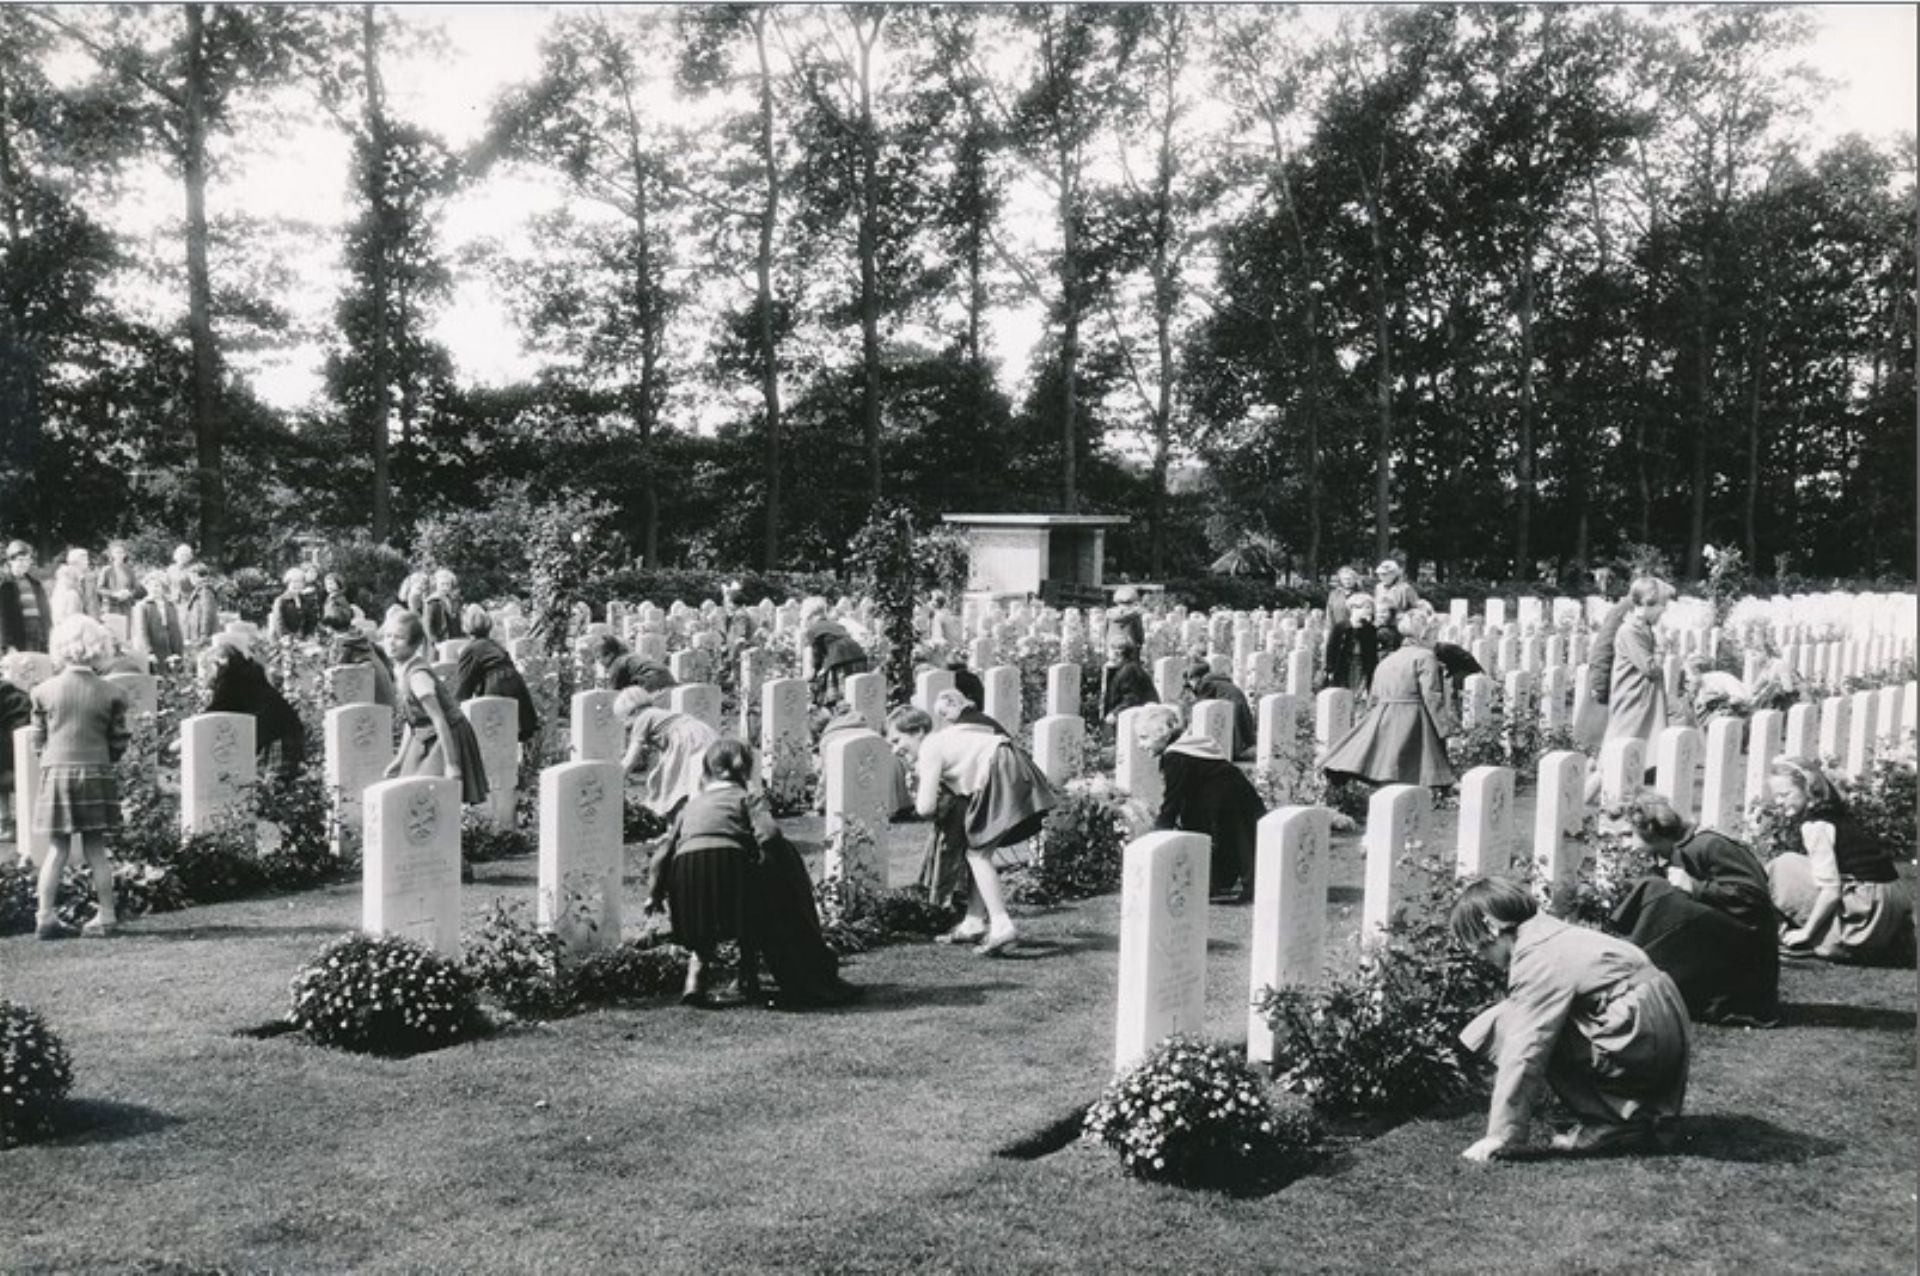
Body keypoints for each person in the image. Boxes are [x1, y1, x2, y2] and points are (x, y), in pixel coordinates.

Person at [1453, 876, 1691, 1160]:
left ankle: (1608, 1122)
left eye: (1480, 947)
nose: (1481, 956)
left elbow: (1525, 1046)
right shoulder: (1552, 931)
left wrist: (1500, 1134)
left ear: (1492, 927)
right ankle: (1635, 1115)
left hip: (1638, 1036)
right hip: (1662, 1026)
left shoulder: (1536, 957)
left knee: (1508, 1024)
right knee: (1521, 1017)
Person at [888, 690, 1058, 954]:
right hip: (1008, 766)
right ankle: (974, 921)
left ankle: (1002, 925)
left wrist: (920, 786)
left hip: (1002, 768)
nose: (895, 749)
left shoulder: (931, 746)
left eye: (898, 739)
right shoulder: (946, 739)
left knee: (978, 853)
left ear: (918, 731)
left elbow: (925, 807)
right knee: (977, 850)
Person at [1608, 792, 1779, 1024]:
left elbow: (1755, 899)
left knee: (1659, 891)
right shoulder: (1671, 853)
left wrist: (1698, 888)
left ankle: (1626, 980)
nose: (1624, 845)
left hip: (1749, 952)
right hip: (1723, 943)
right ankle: (1625, 973)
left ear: (1651, 828)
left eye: (1628, 835)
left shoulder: (1709, 844)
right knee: (1654, 888)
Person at [28, 616, 130, 939]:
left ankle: (45, 916)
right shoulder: (112, 692)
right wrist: (105, 759)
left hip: (56, 771)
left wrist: (50, 760)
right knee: (96, 848)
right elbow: (119, 740)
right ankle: (107, 915)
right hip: (96, 770)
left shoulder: (42, 691)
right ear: (100, 648)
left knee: (57, 848)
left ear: (60, 648)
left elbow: (37, 740)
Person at [1765, 757, 1915, 966]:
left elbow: (1831, 890)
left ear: (1808, 789)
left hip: (1866, 912)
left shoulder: (1815, 826)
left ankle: (1801, 937)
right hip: (1892, 903)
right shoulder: (1837, 814)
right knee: (1796, 864)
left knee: (1781, 866)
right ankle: (1883, 944)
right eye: (1776, 797)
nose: (1779, 802)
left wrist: (1806, 933)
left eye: (1785, 794)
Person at [1140, 704, 1265, 902]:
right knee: (1236, 841)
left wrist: (1159, 832)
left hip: (1225, 800)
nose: (1141, 744)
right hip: (1236, 794)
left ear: (1162, 734)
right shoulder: (1189, 746)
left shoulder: (1175, 756)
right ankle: (1221, 882)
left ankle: (1251, 888)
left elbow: (1173, 797)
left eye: (1144, 737)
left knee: (1239, 843)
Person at [1322, 611, 1455, 789]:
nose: (1436, 640)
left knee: (1385, 767)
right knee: (1414, 773)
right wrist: (1443, 728)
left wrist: (1370, 722)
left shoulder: (1388, 659)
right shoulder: (1425, 657)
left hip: (1384, 716)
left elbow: (1374, 697)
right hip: (1413, 717)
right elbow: (1432, 695)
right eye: (1434, 635)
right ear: (1424, 634)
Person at [381, 610, 489, 806]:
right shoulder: (401, 669)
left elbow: (439, 719)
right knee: (408, 787)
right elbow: (411, 721)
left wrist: (452, 764)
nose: (391, 642)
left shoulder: (417, 676)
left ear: (413, 644)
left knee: (431, 796)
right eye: (388, 636)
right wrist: (400, 759)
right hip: (423, 734)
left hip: (447, 735)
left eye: (399, 638)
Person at [201, 634, 307, 779]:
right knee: (274, 785)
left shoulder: (230, 680)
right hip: (284, 730)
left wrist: (183, 741)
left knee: (275, 786)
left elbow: (213, 714)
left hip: (276, 735)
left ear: (218, 664)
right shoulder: (247, 673)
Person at [616, 686, 719, 821]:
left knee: (673, 786)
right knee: (688, 781)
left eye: (627, 723)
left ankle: (678, 822)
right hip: (705, 734)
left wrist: (616, 778)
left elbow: (631, 758)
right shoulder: (658, 713)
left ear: (634, 712)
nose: (628, 729)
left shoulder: (643, 717)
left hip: (686, 740)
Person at [451, 606, 539, 743]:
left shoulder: (470, 650)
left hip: (497, 685)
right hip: (515, 683)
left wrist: (453, 712)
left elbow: (464, 686)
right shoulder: (495, 645)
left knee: (493, 733)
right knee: (509, 735)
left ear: (466, 627)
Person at [1604, 576, 1672, 747]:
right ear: (1647, 603)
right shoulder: (1630, 631)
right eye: (1662, 605)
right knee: (1621, 748)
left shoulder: (1644, 627)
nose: (1663, 610)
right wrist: (1661, 646)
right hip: (1632, 699)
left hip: (1644, 698)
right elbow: (1650, 668)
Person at [800, 597, 869, 708]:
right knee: (856, 695)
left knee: (836, 698)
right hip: (858, 656)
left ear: (809, 616)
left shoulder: (812, 630)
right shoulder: (835, 625)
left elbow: (814, 659)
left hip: (839, 660)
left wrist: (810, 678)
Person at [1183, 658, 1255, 761]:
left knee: (1231, 731)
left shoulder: (1205, 683)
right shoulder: (1216, 680)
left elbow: (1200, 705)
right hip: (1237, 702)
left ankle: (1234, 752)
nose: (1191, 685)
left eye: (1190, 681)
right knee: (1238, 731)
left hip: (1230, 704)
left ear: (1196, 678)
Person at [0, 655, 32, 847]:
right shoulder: (19, 697)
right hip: (22, 761)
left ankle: (5, 823)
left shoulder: (11, 699)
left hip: (9, 765)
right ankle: (9, 823)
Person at [128, 570, 186, 669]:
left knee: (172, 678)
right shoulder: (143, 606)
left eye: (158, 586)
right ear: (147, 587)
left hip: (169, 648)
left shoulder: (170, 605)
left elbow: (176, 630)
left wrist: (178, 651)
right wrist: (149, 652)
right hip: (153, 648)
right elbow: (142, 631)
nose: (155, 589)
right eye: (152, 586)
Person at [0, 542, 50, 655]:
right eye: (20, 560)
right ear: (10, 561)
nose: (24, 563)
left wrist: (48, 637)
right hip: (18, 641)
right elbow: (2, 618)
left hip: (38, 639)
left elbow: (46, 615)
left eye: (27, 560)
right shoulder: (5, 586)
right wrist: (7, 645)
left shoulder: (36, 585)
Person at [1324, 594, 1379, 693]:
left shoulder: (1370, 629)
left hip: (1361, 663)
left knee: (1358, 689)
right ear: (1354, 608)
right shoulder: (1340, 627)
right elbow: (1331, 648)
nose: (1369, 611)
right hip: (1343, 663)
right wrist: (1330, 668)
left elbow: (1372, 652)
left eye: (1370, 607)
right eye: (1366, 607)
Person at [591, 634, 676, 695]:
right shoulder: (629, 657)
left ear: (610, 654)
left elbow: (613, 694)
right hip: (667, 678)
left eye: (599, 657)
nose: (599, 662)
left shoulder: (617, 664)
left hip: (653, 682)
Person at [1099, 638, 1158, 726]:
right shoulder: (1125, 668)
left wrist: (1115, 713)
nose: (1108, 655)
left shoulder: (1129, 671)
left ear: (1117, 653)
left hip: (1142, 718)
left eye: (1109, 651)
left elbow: (1131, 699)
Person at [1372, 559, 1420, 652]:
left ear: (1394, 574)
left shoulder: (1405, 588)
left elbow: (1417, 608)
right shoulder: (1379, 587)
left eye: (1385, 574)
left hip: (1398, 627)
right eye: (1380, 574)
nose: (1382, 577)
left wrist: (1405, 616)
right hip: (1382, 624)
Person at [95, 541, 140, 621]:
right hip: (111, 607)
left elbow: (135, 589)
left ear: (125, 554)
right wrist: (114, 594)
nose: (119, 555)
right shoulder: (106, 570)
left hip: (126, 607)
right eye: (117, 552)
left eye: (121, 552)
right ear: (112, 554)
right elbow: (99, 589)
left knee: (126, 632)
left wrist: (128, 593)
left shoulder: (130, 571)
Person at [267, 567, 312, 641]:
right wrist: (289, 638)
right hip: (285, 640)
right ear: (288, 583)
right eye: (293, 582)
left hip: (302, 639)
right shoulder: (281, 600)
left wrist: (307, 634)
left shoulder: (304, 600)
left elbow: (309, 621)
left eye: (299, 582)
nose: (296, 585)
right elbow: (279, 624)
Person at [180, 564, 220, 646]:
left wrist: (204, 634)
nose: (190, 580)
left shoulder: (205, 591)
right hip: (197, 633)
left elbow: (207, 613)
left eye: (191, 576)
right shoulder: (201, 589)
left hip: (201, 635)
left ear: (196, 575)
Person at [423, 569, 463, 647]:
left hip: (453, 638)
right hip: (439, 640)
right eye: (442, 584)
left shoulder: (453, 600)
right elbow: (428, 625)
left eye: (447, 585)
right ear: (436, 584)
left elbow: (456, 620)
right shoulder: (432, 602)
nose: (445, 588)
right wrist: (434, 641)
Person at [48, 562, 86, 628]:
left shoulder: (57, 592)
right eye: (75, 579)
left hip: (58, 627)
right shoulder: (72, 594)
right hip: (70, 628)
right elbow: (73, 616)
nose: (78, 583)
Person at [1325, 566, 1361, 632]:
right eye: (1345, 579)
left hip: (1356, 631)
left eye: (1350, 578)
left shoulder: (1361, 594)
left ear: (1355, 580)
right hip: (1337, 630)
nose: (1348, 581)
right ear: (1341, 580)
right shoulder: (1334, 594)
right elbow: (1329, 615)